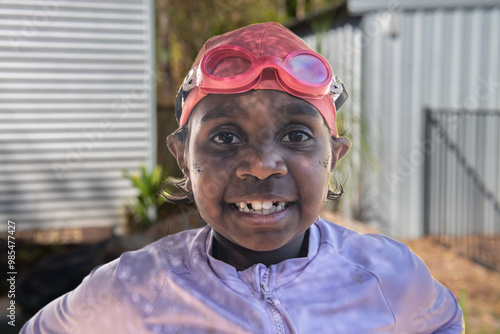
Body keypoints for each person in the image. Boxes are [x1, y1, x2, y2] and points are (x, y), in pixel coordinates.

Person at [21, 22, 464, 333]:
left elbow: (443, 322)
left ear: (334, 156)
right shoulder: (134, 287)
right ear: (181, 156)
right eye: (226, 136)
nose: (262, 164)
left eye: (296, 134)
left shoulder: (388, 276)